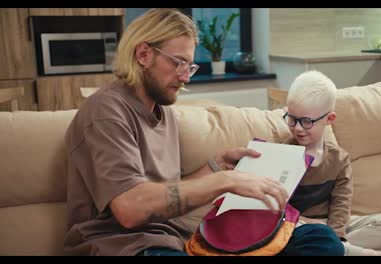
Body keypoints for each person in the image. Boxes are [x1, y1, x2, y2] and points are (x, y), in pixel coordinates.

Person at [63, 8, 344, 256]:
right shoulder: (105, 112)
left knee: (320, 241)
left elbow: (165, 191)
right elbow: (130, 209)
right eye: (178, 62)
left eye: (191, 65)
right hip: (122, 246)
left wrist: (216, 166)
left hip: (175, 240)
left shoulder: (163, 112)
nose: (186, 76)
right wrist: (223, 181)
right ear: (144, 54)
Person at [282, 70, 381, 256]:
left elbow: (341, 204)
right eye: (292, 118)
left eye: (306, 121)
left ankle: (336, 249)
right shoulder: (282, 153)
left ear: (329, 119)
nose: (297, 128)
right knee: (291, 230)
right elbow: (278, 207)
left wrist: (337, 235)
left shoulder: (339, 159)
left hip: (329, 224)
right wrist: (307, 223)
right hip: (297, 226)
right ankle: (362, 253)